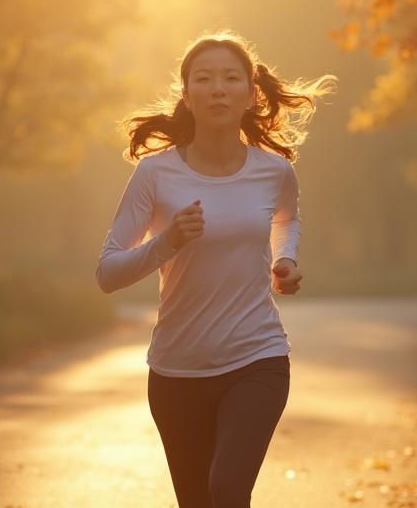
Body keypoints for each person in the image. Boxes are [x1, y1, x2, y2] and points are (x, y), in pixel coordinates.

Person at [95, 30, 335, 508]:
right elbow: (108, 273)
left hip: (257, 358)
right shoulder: (155, 174)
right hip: (176, 370)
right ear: (186, 94)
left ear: (251, 93)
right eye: (203, 79)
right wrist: (167, 242)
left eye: (230, 78)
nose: (217, 89)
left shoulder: (274, 171)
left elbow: (287, 219)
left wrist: (285, 260)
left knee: (226, 491)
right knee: (197, 502)